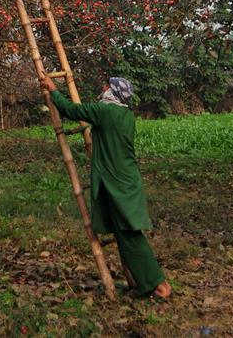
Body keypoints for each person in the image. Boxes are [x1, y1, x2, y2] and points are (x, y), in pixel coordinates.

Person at [38, 72, 172, 300]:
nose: (102, 88)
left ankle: (159, 285)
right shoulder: (125, 114)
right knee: (125, 233)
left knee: (130, 236)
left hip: (118, 183)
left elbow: (72, 111)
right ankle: (145, 283)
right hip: (123, 181)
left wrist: (52, 89)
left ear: (112, 92)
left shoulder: (106, 112)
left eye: (105, 86)